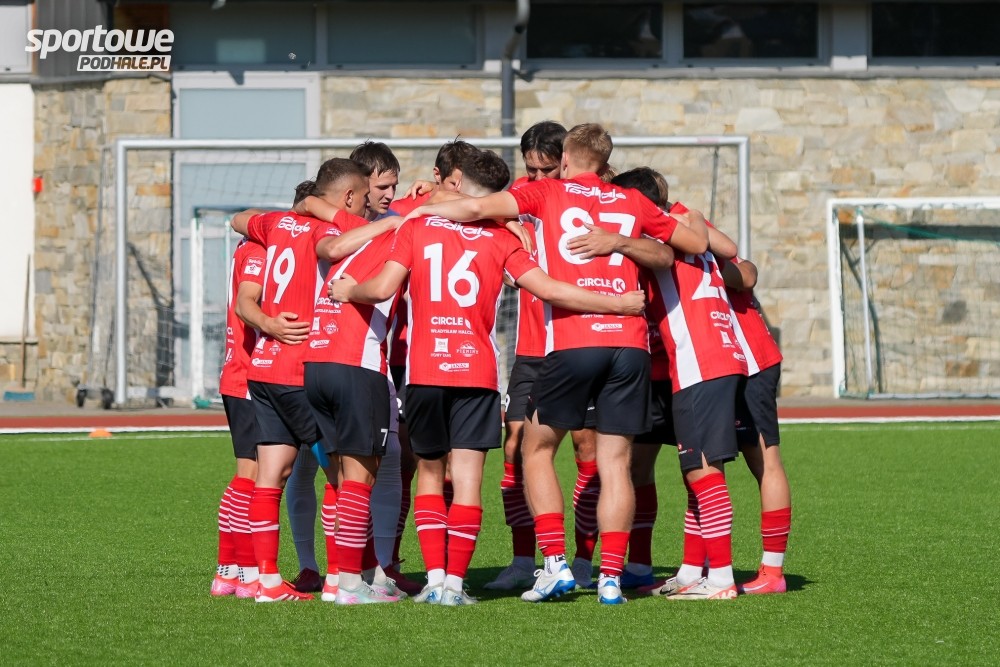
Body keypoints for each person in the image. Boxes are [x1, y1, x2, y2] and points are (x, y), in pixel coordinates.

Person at [404, 123, 709, 605]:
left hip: (570, 340)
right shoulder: (631, 201)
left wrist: (424, 206)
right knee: (616, 462)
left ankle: (555, 564)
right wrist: (624, 241)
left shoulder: (547, 193)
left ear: (565, 159)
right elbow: (685, 247)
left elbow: (478, 207)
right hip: (629, 345)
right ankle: (610, 578)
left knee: (536, 449)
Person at [333, 148, 648, 606]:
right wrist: (616, 304)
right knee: (467, 479)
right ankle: (454, 587)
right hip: (477, 372)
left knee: (428, 475)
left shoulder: (418, 225)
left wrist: (349, 291)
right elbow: (549, 289)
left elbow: (381, 288)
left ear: (459, 185)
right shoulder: (502, 238)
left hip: (425, 369)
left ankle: (433, 581)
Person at [230, 158, 392, 602]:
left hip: (263, 367)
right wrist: (392, 224)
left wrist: (267, 322)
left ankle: (266, 582)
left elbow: (237, 219)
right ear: (347, 197)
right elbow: (335, 249)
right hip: (301, 365)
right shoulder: (324, 231)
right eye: (363, 197)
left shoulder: (273, 224)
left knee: (271, 475)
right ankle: (339, 578)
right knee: (342, 474)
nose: (365, 205)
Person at [487, 120, 603, 592]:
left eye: (546, 169)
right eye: (530, 168)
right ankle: (523, 559)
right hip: (532, 347)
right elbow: (471, 205)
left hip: (580, 342)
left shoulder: (593, 200)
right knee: (515, 448)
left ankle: (583, 559)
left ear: (567, 163)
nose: (536, 178)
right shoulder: (520, 195)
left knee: (587, 450)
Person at [639, 195, 747, 601]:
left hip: (699, 363)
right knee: (697, 472)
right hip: (717, 357)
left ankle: (720, 578)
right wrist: (695, 216)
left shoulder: (664, 238)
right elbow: (730, 249)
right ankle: (691, 572)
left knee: (703, 472)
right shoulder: (689, 232)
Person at [721, 255, 791, 594]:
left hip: (751, 362)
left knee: (765, 462)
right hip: (718, 364)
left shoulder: (694, 237)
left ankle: (773, 572)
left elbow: (747, 273)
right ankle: (702, 567)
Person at [350, 140, 401, 221]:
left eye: (394, 186)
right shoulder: (336, 222)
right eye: (382, 187)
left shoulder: (396, 221)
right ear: (360, 184)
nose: (390, 195)